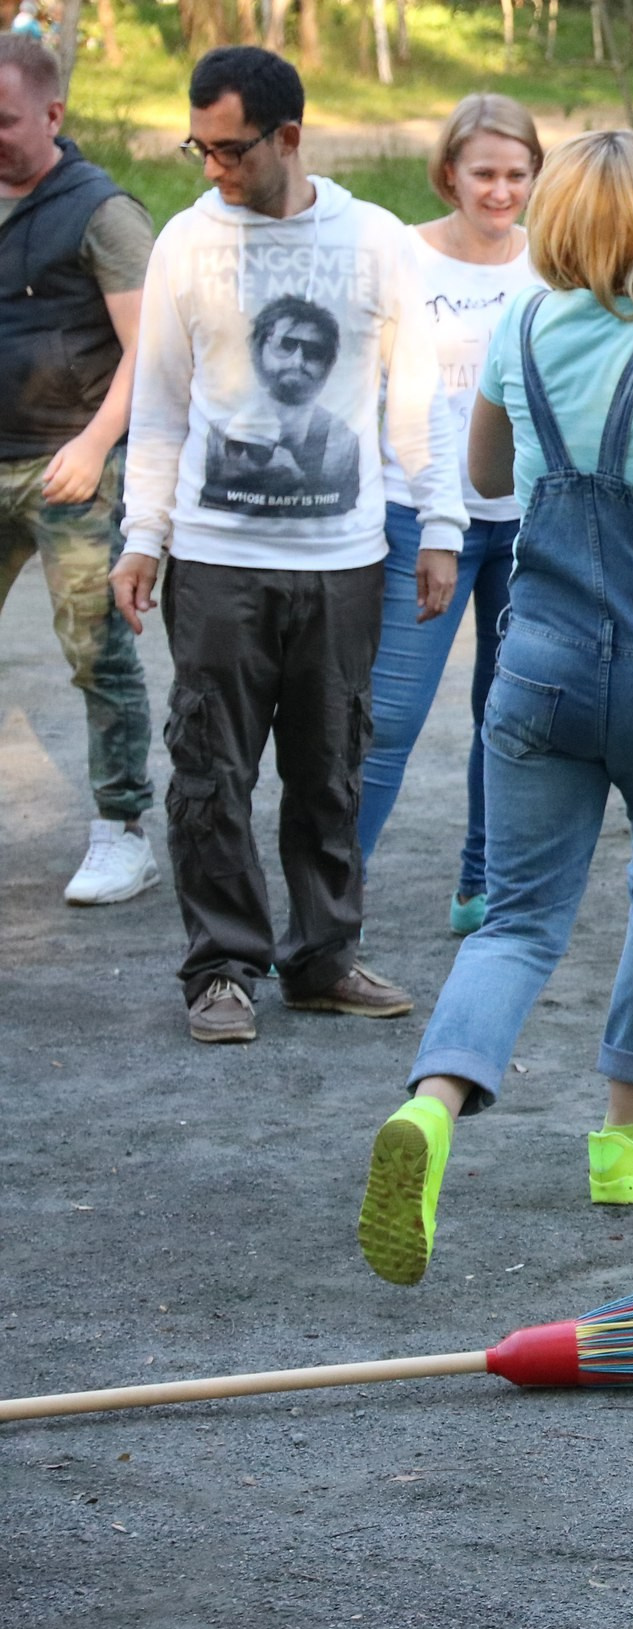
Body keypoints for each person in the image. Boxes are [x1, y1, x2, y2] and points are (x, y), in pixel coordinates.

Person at [356, 129, 633, 1288]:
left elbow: (492, 481)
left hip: (540, 666)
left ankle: (436, 1107)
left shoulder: (524, 329)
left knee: (516, 919)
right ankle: (629, 1140)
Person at [109, 47, 462, 1046]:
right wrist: (147, 537)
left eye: (230, 148)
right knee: (210, 769)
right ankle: (223, 969)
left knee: (330, 765)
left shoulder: (377, 243)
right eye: (201, 145)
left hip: (343, 560)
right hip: (217, 560)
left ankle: (321, 959)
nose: (212, 165)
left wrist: (438, 528)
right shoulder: (186, 241)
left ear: (289, 137)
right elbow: (163, 408)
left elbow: (414, 401)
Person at [355, 94, 542, 938]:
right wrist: (433, 517)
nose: (500, 191)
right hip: (420, 514)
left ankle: (480, 882)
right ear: (449, 174)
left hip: (525, 521)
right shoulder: (403, 256)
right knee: (388, 716)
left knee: (503, 712)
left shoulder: (548, 263)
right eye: (484, 173)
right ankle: (330, 901)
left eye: (516, 174)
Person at [0, 36, 158, 907]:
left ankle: (122, 830)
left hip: (73, 466)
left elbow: (150, 350)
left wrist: (96, 443)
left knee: (96, 653)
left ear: (54, 115)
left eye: (6, 122)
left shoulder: (103, 211)